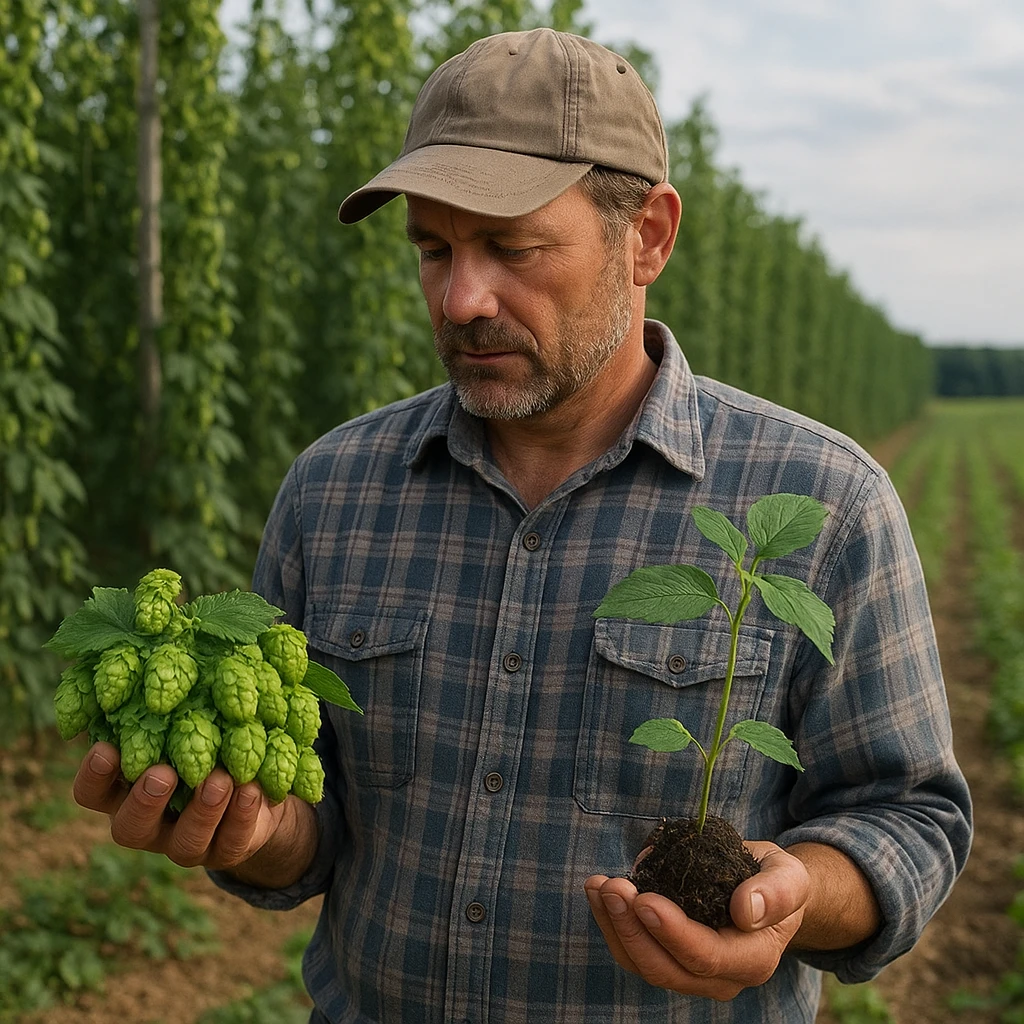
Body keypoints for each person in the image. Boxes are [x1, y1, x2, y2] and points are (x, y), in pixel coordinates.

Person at [73, 27, 972, 1023]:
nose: (461, 298)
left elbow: (909, 816)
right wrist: (252, 826)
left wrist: (796, 894)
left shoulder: (823, 503)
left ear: (648, 237)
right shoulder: (334, 492)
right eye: (433, 249)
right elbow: (312, 828)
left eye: (512, 246)